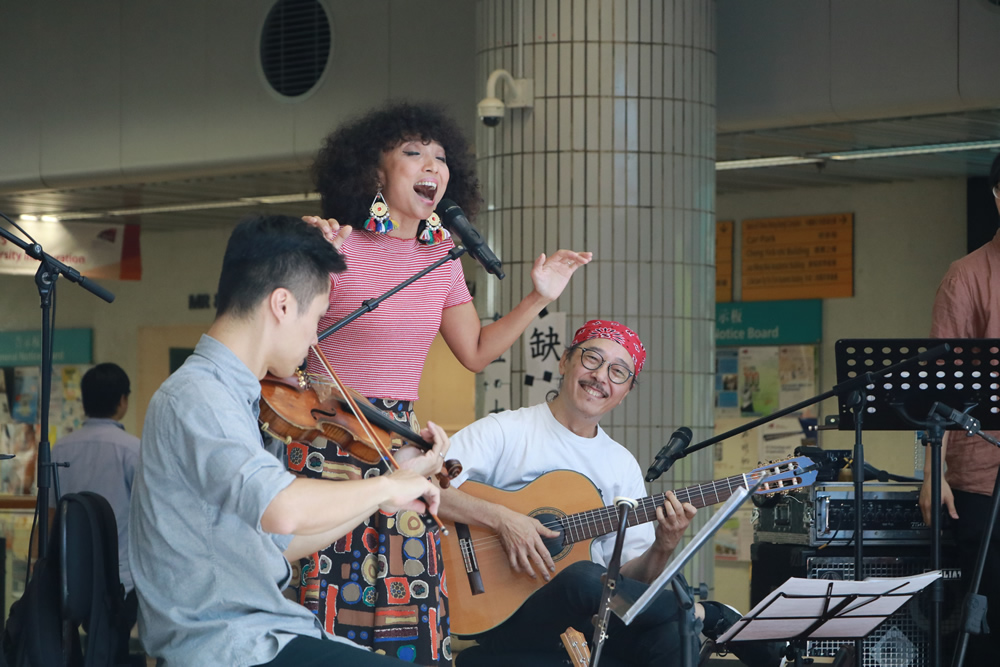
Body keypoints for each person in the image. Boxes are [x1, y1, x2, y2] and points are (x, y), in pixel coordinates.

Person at [294, 101, 592, 665]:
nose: (432, 165)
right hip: (327, 436)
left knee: (409, 595)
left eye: (440, 156)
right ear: (373, 170)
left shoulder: (442, 260)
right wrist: (306, 254)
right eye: (413, 153)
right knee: (332, 595)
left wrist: (538, 297)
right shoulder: (338, 247)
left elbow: (475, 351)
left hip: (400, 445)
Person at [129, 214, 447, 667]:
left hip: (263, 630)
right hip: (225, 644)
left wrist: (390, 488)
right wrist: (386, 487)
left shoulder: (238, 396)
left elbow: (283, 540)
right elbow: (282, 507)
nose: (315, 337)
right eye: (316, 317)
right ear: (281, 304)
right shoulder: (199, 395)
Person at [439, 320, 783, 667]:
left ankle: (697, 619)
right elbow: (423, 483)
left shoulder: (621, 464)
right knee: (585, 576)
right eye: (592, 359)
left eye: (618, 372)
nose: (601, 376)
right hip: (502, 617)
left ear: (626, 391)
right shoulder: (506, 430)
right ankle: (707, 614)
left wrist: (663, 545)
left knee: (670, 631)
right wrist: (502, 519)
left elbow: (631, 583)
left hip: (591, 625)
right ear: (565, 361)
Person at [920, 152, 1000, 665]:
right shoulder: (967, 275)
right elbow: (940, 388)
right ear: (998, 197)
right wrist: (933, 473)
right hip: (984, 478)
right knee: (986, 625)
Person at [52, 362, 139, 595]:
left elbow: (50, 513)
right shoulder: (133, 449)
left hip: (68, 573)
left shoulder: (59, 449)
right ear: (122, 400)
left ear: (84, 401)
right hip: (121, 576)